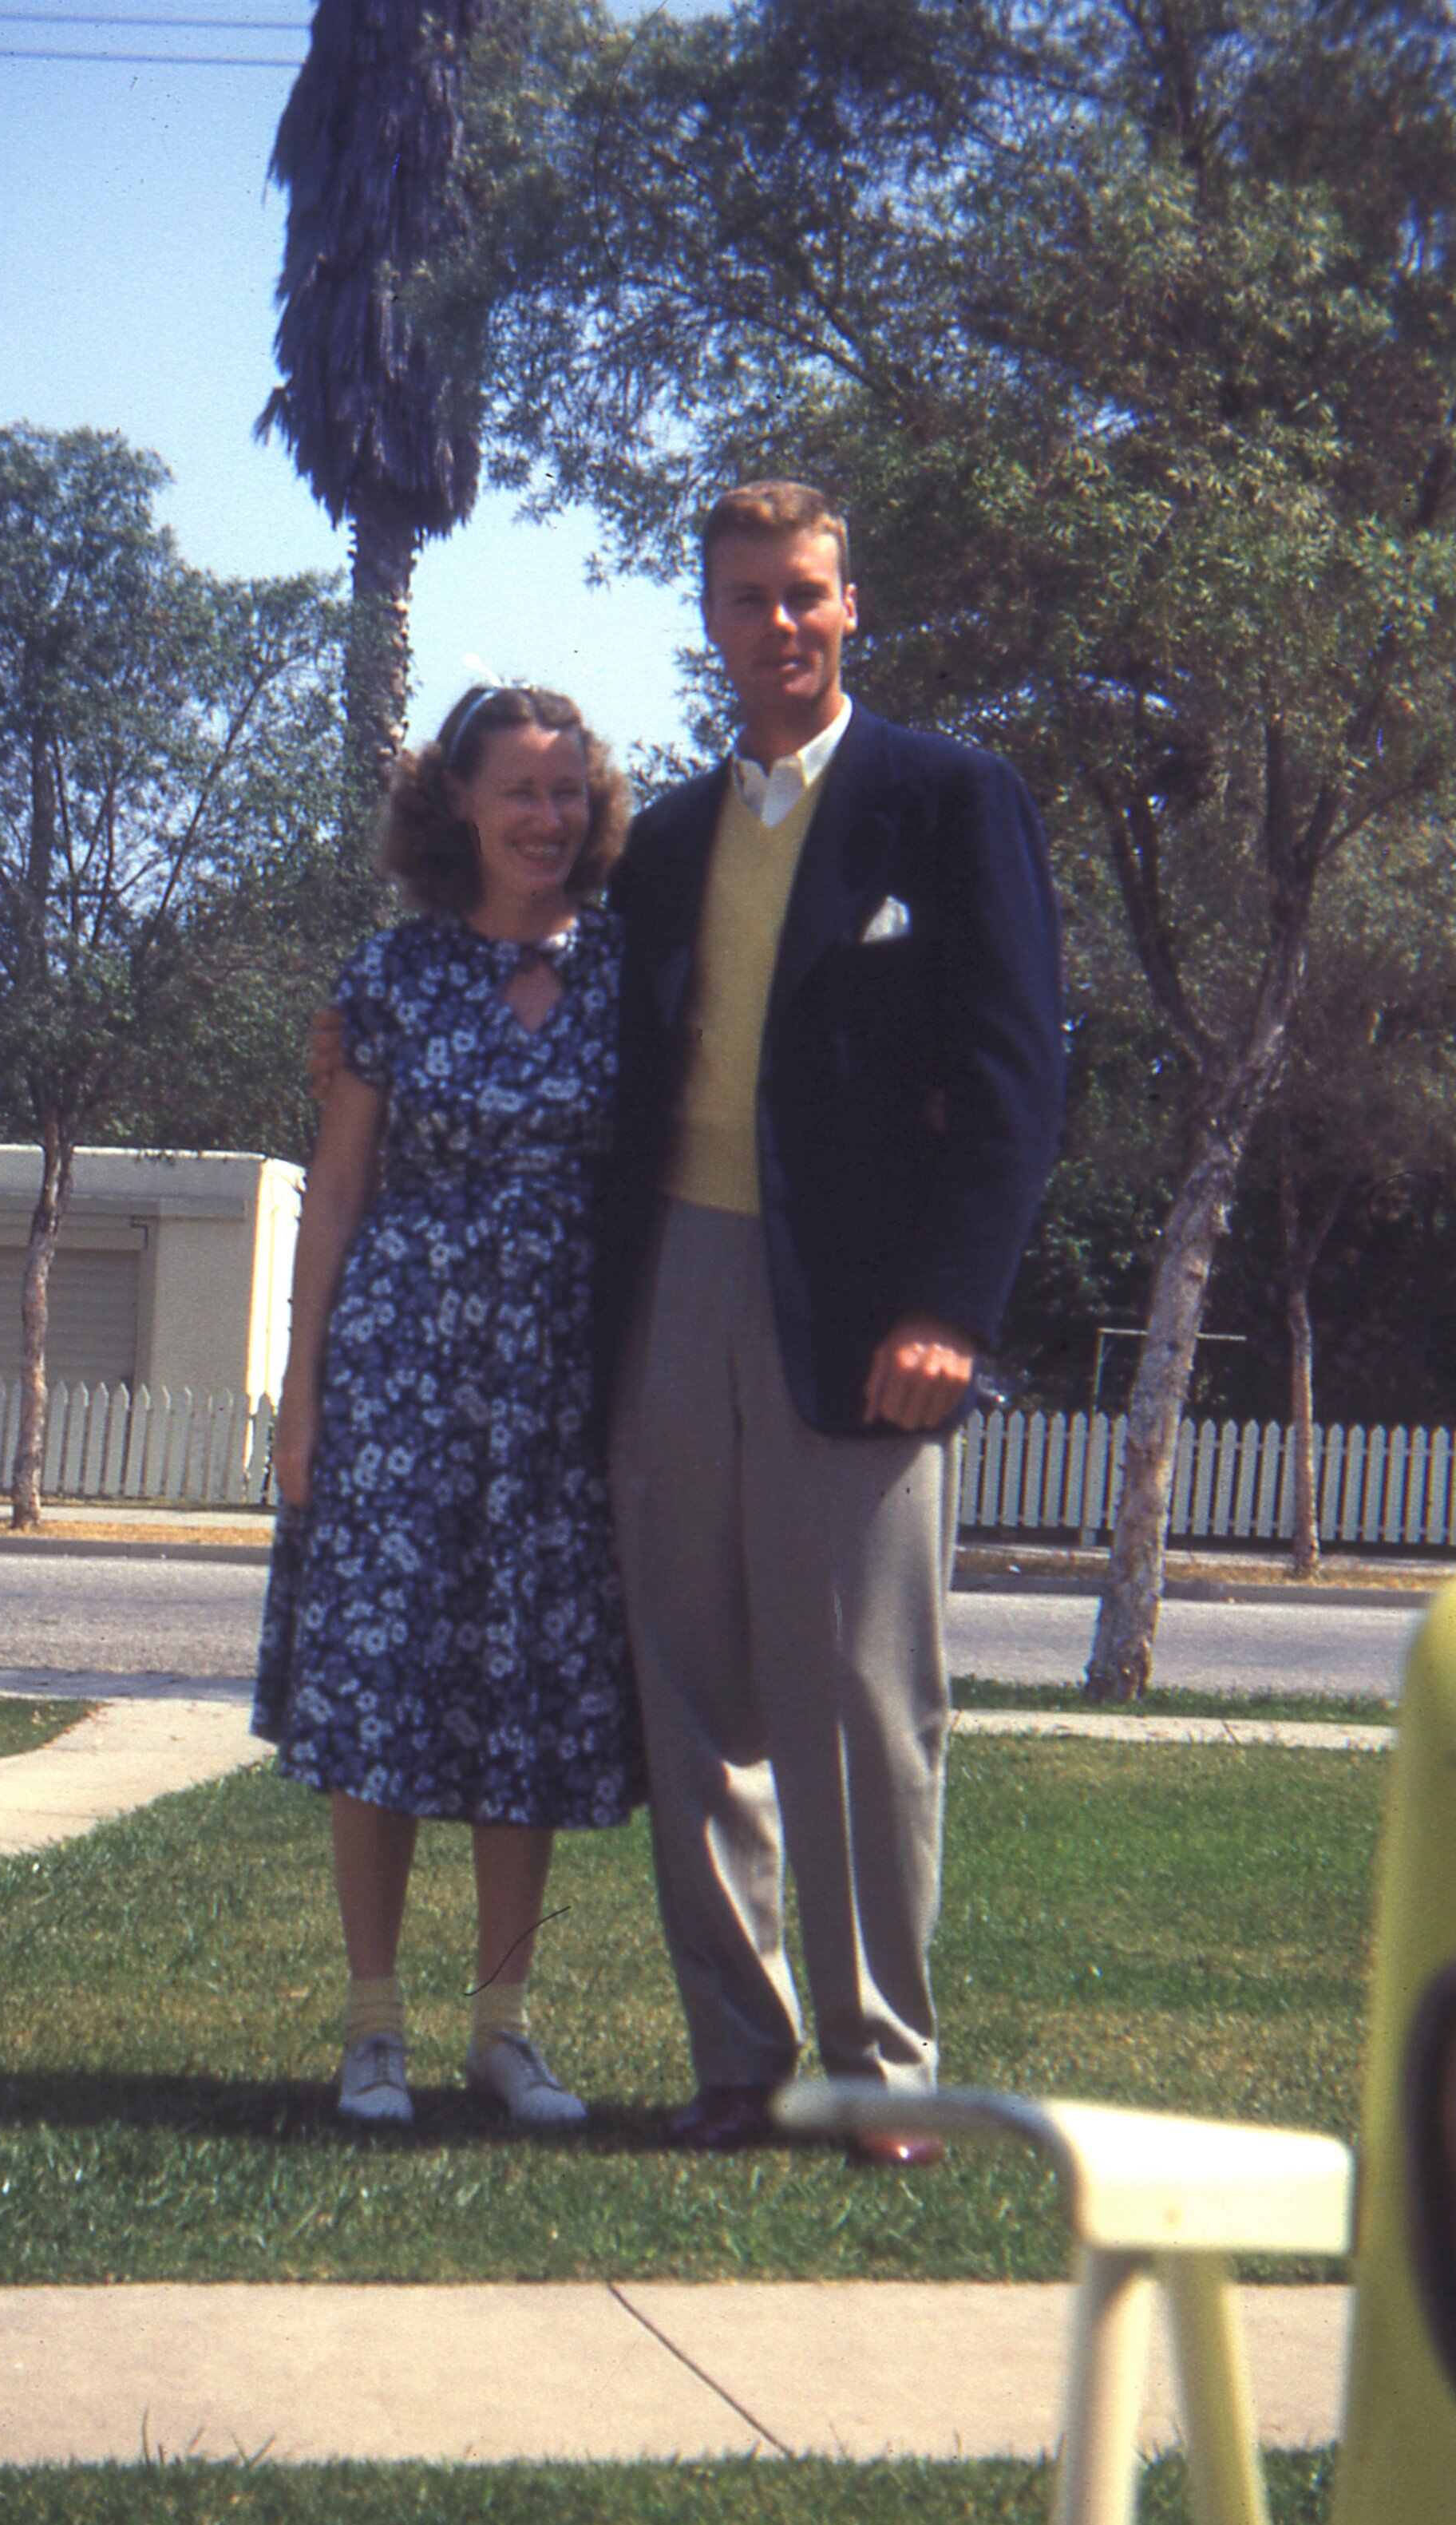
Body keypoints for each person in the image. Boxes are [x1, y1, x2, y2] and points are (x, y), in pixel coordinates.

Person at [598, 478, 1065, 2160]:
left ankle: (877, 2073)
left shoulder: (948, 801)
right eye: (743, 599)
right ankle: (743, 2058)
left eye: (803, 594)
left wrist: (951, 1302)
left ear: (849, 604)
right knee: (693, 1691)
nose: (776, 626)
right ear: (707, 618)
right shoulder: (656, 843)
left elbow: (1014, 1079)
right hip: (671, 1282)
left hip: (866, 1311)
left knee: (862, 1702)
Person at [254, 683, 643, 2131]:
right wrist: (303, 1395)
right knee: (387, 1690)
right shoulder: (392, 975)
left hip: (562, 1377)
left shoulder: (629, 970)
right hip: (402, 1368)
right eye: (517, 790)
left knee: (525, 1691)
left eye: (567, 790)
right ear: (459, 807)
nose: (545, 816)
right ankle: (372, 2026)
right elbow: (338, 1189)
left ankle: (504, 2025)